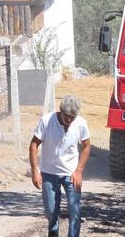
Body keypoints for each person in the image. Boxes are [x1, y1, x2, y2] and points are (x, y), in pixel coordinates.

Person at [29, 96, 91, 237]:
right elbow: (34, 145)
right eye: (67, 116)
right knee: (51, 211)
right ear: (60, 111)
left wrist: (79, 171)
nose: (69, 120)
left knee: (74, 209)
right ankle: (53, 232)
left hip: (71, 173)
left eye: (72, 117)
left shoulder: (81, 123)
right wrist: (35, 171)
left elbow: (86, 146)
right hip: (49, 172)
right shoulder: (47, 121)